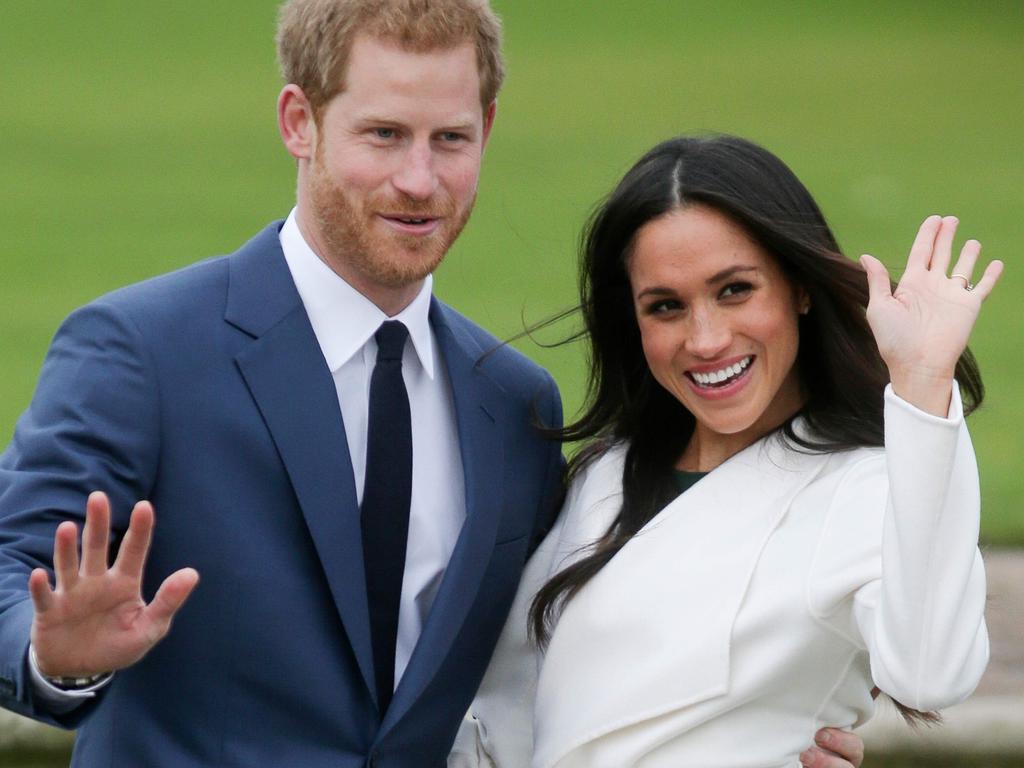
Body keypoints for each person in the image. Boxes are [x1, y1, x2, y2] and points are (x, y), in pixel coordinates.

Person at [0, 2, 866, 765]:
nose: (420, 181)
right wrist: (57, 659)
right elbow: (11, 575)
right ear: (299, 121)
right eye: (383, 134)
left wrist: (751, 738)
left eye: (449, 138)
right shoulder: (142, 350)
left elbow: (550, 665)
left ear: (486, 128)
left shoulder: (514, 403)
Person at [451, 135, 998, 768]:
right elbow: (506, 715)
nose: (706, 338)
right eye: (665, 307)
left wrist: (924, 384)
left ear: (799, 286)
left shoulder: (866, 486)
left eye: (735, 290)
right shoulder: (605, 471)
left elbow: (933, 673)